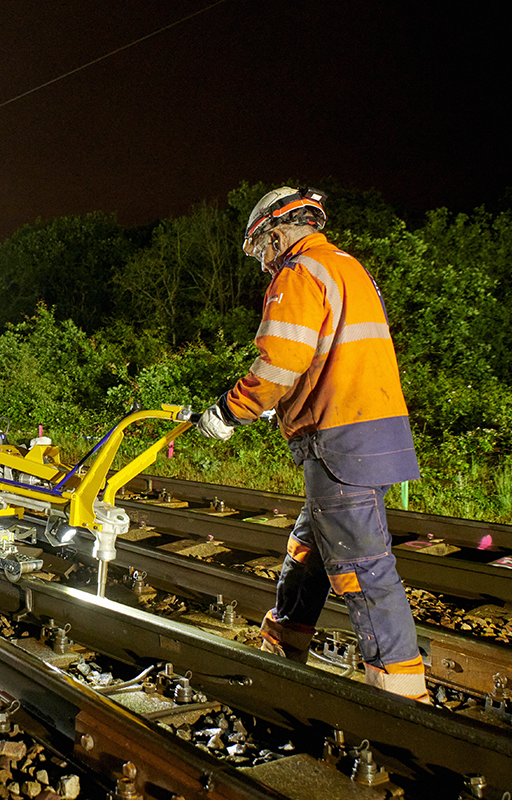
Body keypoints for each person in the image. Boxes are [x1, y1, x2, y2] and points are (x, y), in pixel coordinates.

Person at [196, 187, 426, 701]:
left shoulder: (299, 272)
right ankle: (283, 643)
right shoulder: (347, 268)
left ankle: (403, 699)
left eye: (260, 250)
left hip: (339, 436)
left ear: (276, 233)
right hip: (371, 429)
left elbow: (280, 360)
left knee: (362, 571)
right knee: (313, 545)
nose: (262, 263)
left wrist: (231, 411)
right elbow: (325, 357)